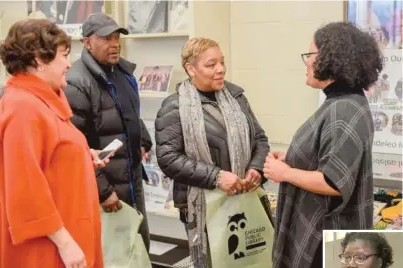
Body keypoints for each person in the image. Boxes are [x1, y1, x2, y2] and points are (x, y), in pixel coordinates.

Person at [263, 22, 382, 268]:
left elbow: (333, 182)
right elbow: (332, 156)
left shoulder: (343, 109)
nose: (306, 62)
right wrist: (294, 157)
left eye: (311, 55)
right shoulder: (345, 101)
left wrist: (285, 173)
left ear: (333, 59)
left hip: (325, 236)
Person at [0, 19, 108, 268]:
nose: (69, 64)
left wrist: (81, 156)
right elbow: (25, 185)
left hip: (63, 237)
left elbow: (47, 157)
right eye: (64, 56)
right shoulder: (23, 107)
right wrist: (65, 243)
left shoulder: (40, 102)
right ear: (39, 60)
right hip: (47, 250)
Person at [155, 37, 271, 267]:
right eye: (211, 65)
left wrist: (256, 169)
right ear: (190, 69)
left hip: (243, 198)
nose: (220, 69)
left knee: (247, 261)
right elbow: (168, 158)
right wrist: (216, 177)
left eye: (222, 62)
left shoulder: (237, 97)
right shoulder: (174, 106)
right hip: (202, 205)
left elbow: (259, 138)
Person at [64, 12, 152, 251]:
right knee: (114, 254)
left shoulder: (122, 73)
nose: (114, 44)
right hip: (106, 188)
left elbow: (129, 113)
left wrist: (142, 138)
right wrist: (102, 191)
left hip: (131, 178)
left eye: (116, 37)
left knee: (138, 249)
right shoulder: (76, 82)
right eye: (106, 38)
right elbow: (74, 146)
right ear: (87, 42)